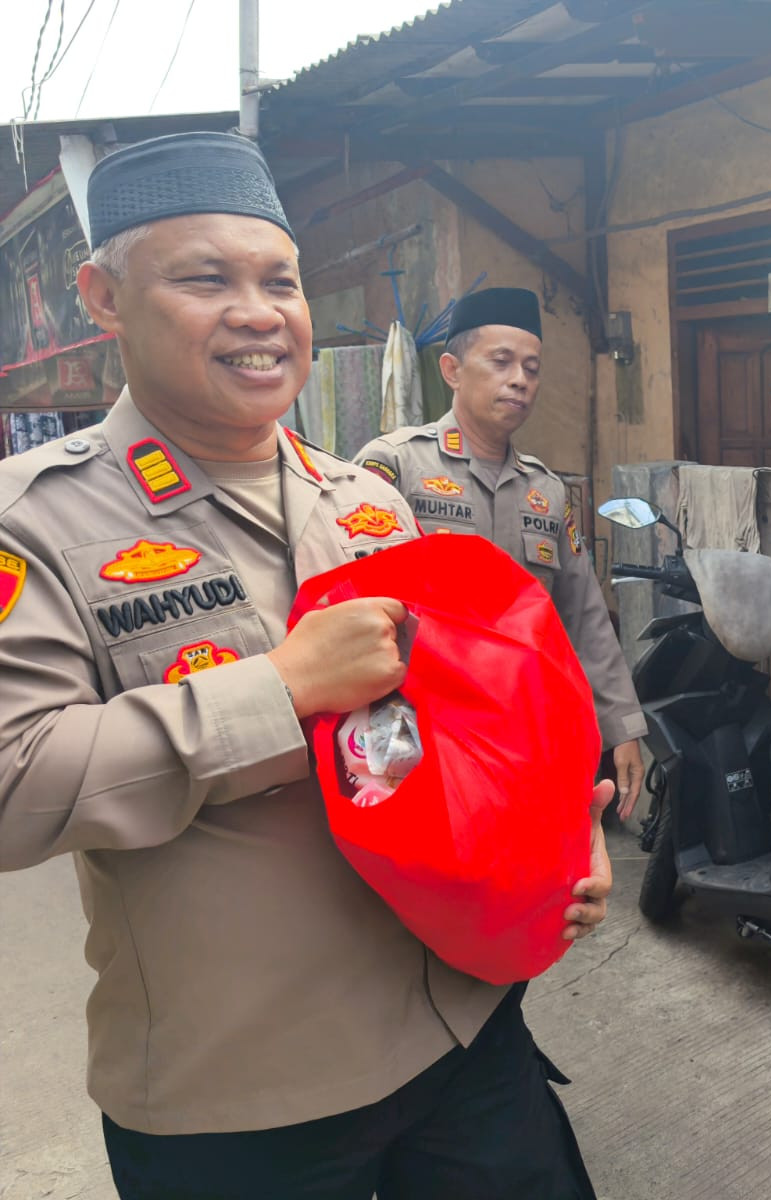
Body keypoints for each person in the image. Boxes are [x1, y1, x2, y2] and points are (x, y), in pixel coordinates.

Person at [0, 131, 611, 1200]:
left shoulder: (365, 500)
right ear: (103, 298)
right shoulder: (34, 523)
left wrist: (562, 834)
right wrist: (281, 691)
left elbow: (466, 719)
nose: (258, 313)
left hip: (462, 1025)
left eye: (280, 282)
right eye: (205, 279)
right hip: (244, 1093)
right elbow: (13, 785)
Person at [356, 289, 648, 820]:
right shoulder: (396, 466)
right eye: (501, 361)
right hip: (417, 728)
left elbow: (584, 618)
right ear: (452, 370)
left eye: (531, 369)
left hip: (520, 733)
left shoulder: (546, 491)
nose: (520, 380)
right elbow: (352, 604)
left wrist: (621, 727)